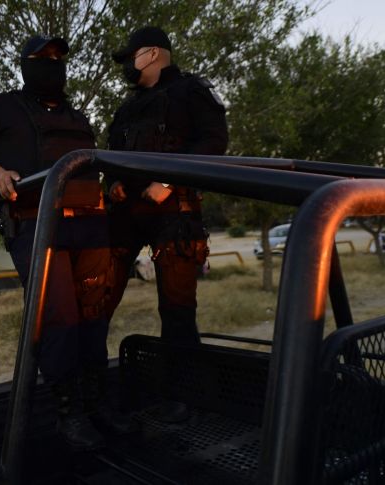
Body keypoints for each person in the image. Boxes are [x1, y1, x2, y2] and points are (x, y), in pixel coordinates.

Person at [0, 34, 134, 451]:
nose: (53, 64)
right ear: (25, 64)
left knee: (94, 320)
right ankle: (68, 414)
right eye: (43, 58)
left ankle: (96, 404)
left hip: (92, 227)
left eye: (59, 57)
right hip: (37, 226)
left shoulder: (76, 115)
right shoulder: (2, 107)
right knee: (61, 323)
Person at [106, 26, 228, 344]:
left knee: (177, 312)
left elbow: (214, 142)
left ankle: (181, 389)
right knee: (97, 300)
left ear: (152, 54)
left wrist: (168, 181)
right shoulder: (127, 108)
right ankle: (88, 384)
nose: (126, 67)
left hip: (175, 215)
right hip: (125, 216)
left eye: (131, 58)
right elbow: (110, 152)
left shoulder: (191, 91)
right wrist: (113, 181)